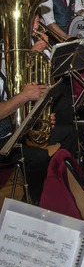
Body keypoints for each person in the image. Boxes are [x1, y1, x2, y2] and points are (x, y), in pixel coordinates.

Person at [0, 73, 50, 204]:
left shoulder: (5, 71)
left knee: (67, 134)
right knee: (39, 157)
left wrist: (41, 120)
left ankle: (36, 199)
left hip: (10, 136)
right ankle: (33, 202)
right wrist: (25, 95)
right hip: (3, 141)